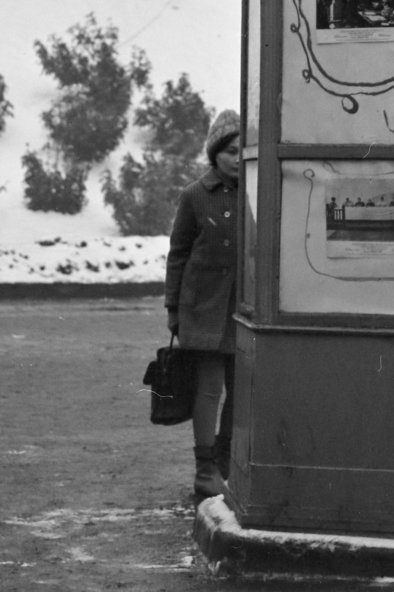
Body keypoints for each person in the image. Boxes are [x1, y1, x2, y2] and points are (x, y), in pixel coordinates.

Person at [165, 109, 240, 499]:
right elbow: (178, 254)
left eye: (245, 149)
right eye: (230, 150)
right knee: (209, 389)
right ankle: (205, 470)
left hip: (242, 311)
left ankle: (227, 464)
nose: (238, 156)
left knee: (241, 391)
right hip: (202, 309)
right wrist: (173, 309)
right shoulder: (195, 195)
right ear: (215, 154)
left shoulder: (259, 192)